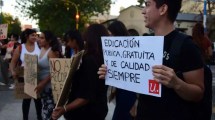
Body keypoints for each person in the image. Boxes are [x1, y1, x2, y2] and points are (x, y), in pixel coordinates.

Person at [98, 0, 204, 120]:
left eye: (147, 5)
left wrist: (176, 83)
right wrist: (112, 72)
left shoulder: (186, 45)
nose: (143, 11)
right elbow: (136, 78)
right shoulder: (144, 42)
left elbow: (198, 93)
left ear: (163, 9)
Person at [52, 24, 109, 120]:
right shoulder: (106, 59)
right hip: (99, 109)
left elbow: (85, 96)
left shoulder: (88, 60)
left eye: (85, 38)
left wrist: (64, 109)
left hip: (84, 113)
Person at [10, 29, 42, 120]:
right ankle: (25, 118)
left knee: (38, 100)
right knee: (26, 100)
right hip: (24, 76)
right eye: (32, 35)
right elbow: (12, 63)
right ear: (26, 36)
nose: (35, 37)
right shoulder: (20, 48)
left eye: (36, 35)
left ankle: (39, 117)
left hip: (37, 76)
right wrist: (13, 71)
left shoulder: (39, 46)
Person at [107, 20, 137, 120]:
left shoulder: (130, 49)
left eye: (111, 34)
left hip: (128, 91)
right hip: (120, 90)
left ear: (117, 33)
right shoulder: (116, 49)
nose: (109, 37)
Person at [35, 31, 62, 120]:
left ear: (49, 40)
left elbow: (55, 71)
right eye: (39, 37)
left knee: (50, 114)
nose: (39, 39)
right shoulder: (42, 49)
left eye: (42, 38)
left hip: (50, 88)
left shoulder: (51, 52)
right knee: (45, 111)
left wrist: (43, 83)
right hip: (42, 88)